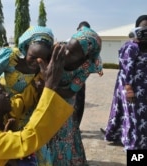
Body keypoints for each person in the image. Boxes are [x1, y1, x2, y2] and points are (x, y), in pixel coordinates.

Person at [0, 43, 75, 166]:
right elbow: (27, 140)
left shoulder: (3, 115)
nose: (7, 94)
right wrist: (50, 86)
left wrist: (39, 81)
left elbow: (22, 100)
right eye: (0, 93)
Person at [37, 26, 103, 166]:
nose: (66, 53)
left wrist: (49, 84)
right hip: (45, 98)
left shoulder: (86, 66)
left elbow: (71, 91)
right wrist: (47, 83)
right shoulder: (57, 51)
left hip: (64, 103)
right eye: (67, 46)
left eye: (73, 53)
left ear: (84, 56)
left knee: (63, 135)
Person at [102, 15, 147, 150]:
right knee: (135, 123)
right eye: (144, 26)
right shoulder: (131, 47)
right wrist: (128, 90)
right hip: (134, 92)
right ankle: (135, 156)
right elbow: (126, 70)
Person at [0, 25, 54, 97]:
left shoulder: (44, 67)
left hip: (25, 105)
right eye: (33, 57)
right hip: (3, 101)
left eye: (42, 59)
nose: (37, 62)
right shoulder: (10, 56)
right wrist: (2, 93)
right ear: (26, 48)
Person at [74, 21, 104, 128]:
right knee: (79, 100)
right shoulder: (94, 38)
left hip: (74, 74)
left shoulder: (76, 37)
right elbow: (97, 54)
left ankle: (73, 126)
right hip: (81, 75)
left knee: (73, 100)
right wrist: (99, 67)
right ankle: (76, 125)